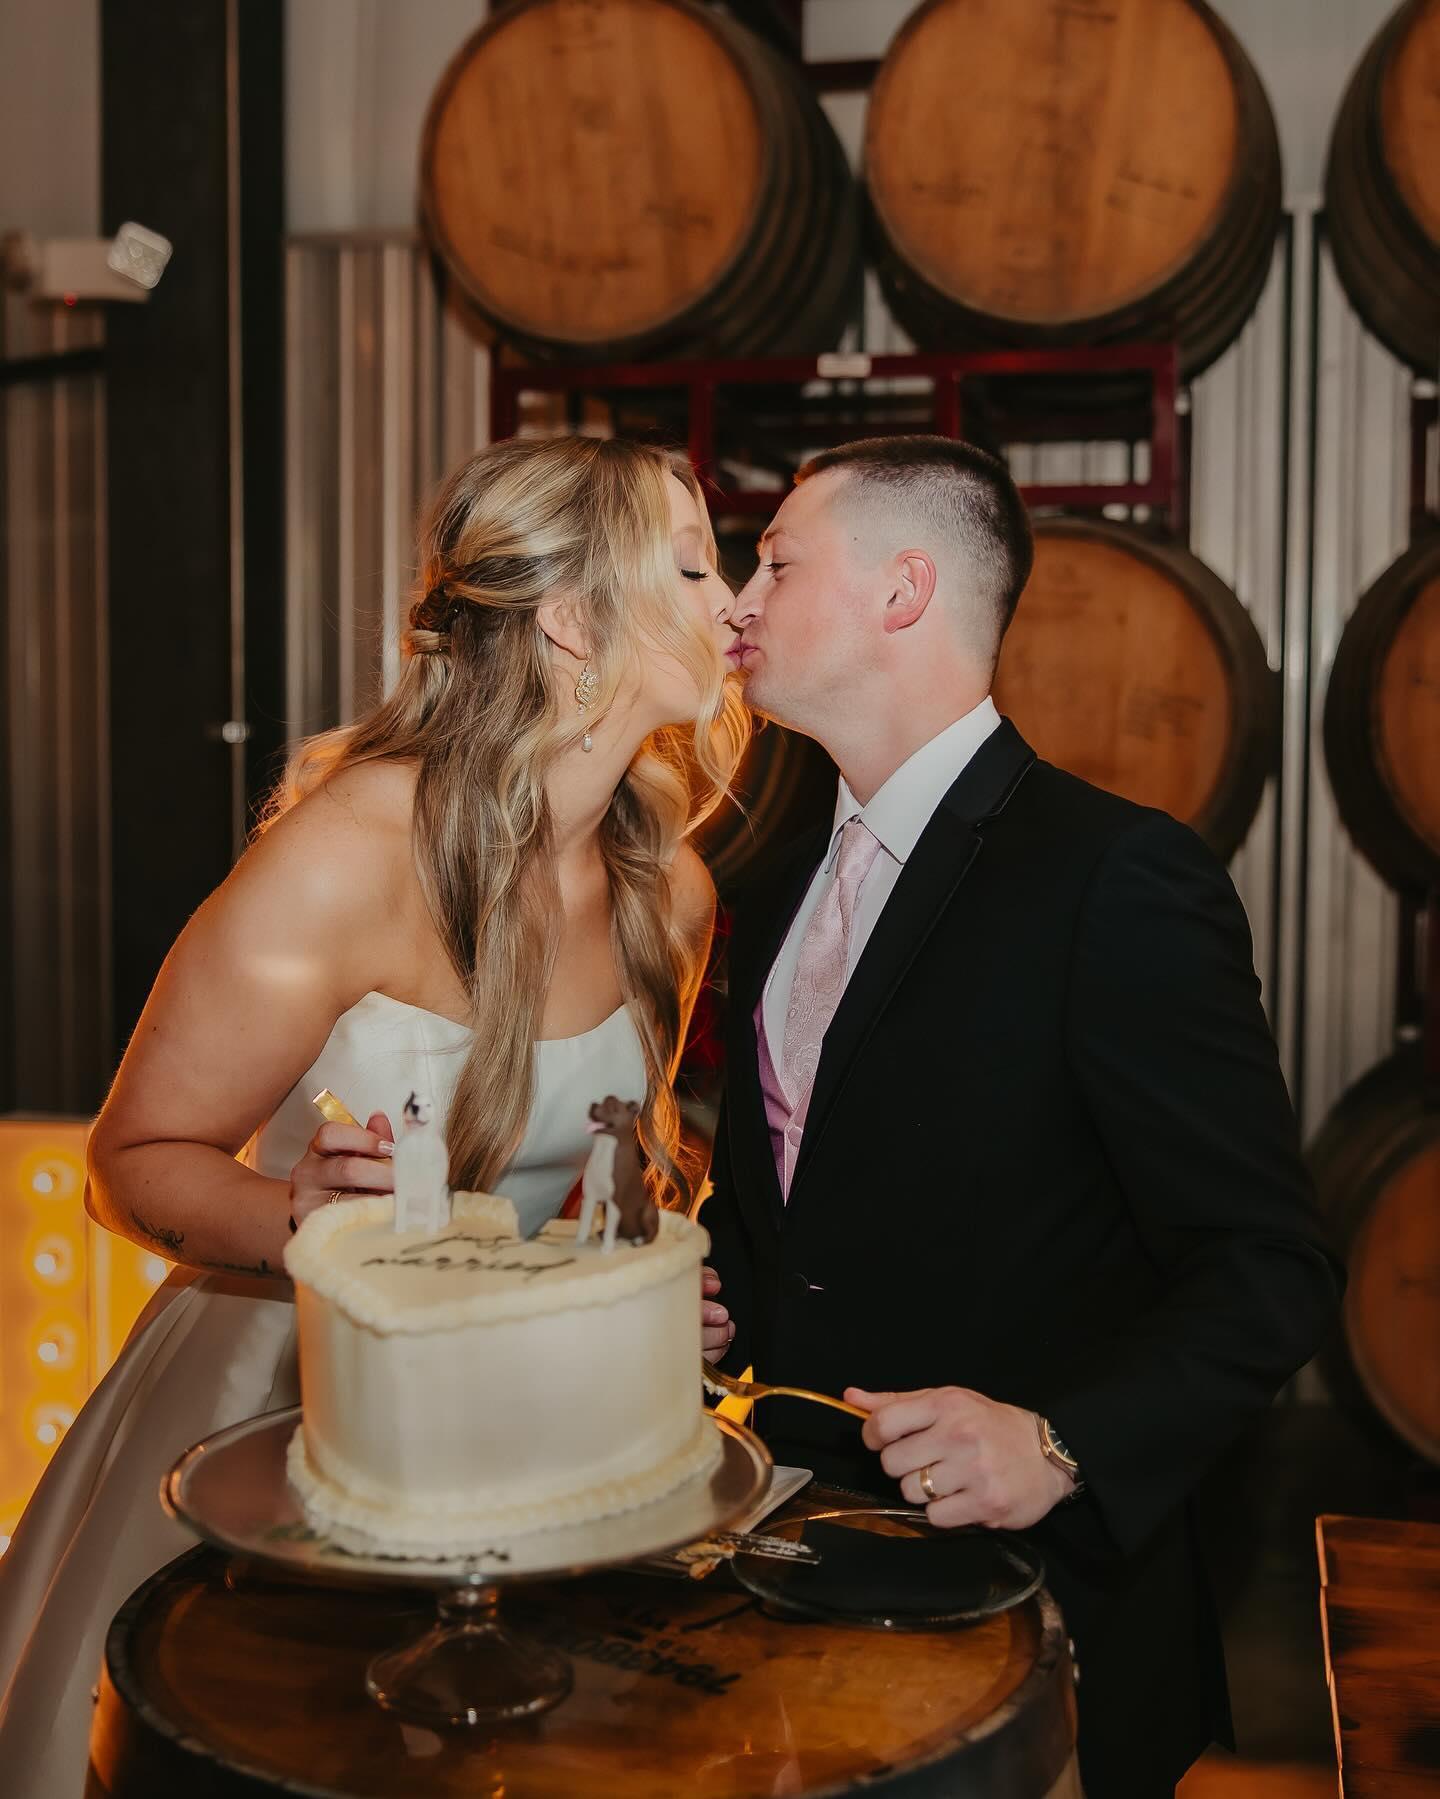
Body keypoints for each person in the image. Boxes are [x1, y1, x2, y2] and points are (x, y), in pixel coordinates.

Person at [0, 434, 748, 1797]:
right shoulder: (348, 855)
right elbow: (130, 1161)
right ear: (574, 622)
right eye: (695, 568)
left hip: (524, 1434)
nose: (732, 603)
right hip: (279, 1409)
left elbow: (610, 1168)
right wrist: (303, 1221)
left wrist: (638, 1283)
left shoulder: (668, 891)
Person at [699, 435, 1342, 1799]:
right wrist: (713, 1292)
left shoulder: (1116, 877)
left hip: (1040, 1606)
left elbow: (1267, 1266)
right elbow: (796, 1202)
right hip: (798, 1579)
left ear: (904, 589)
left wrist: (1064, 1441)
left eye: (776, 564)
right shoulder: (777, 886)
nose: (736, 603)